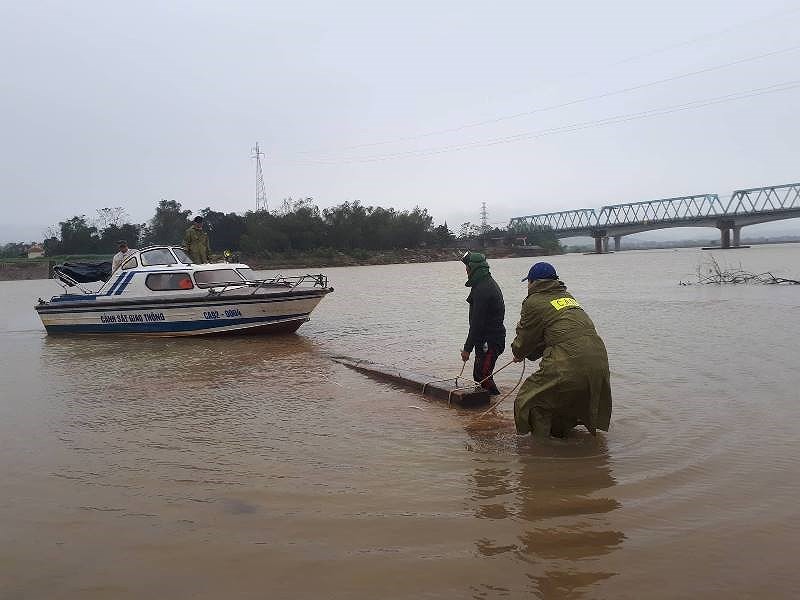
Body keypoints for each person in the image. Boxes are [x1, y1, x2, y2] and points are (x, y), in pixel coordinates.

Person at [511, 262, 612, 438]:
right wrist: (529, 353)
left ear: (533, 282)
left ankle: (542, 450)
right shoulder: (568, 297)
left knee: (528, 400)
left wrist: (519, 353)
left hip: (570, 361)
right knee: (563, 399)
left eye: (528, 282)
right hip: (599, 360)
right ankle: (570, 444)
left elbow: (526, 338)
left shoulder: (533, 302)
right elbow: (557, 334)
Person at [460, 251, 506, 395]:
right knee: (480, 376)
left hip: (490, 341)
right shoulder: (483, 284)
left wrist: (467, 348)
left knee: (483, 377)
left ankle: (494, 411)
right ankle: (488, 408)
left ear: (473, 268)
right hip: (485, 340)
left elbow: (477, 323)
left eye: (467, 267)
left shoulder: (483, 289)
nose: (465, 270)